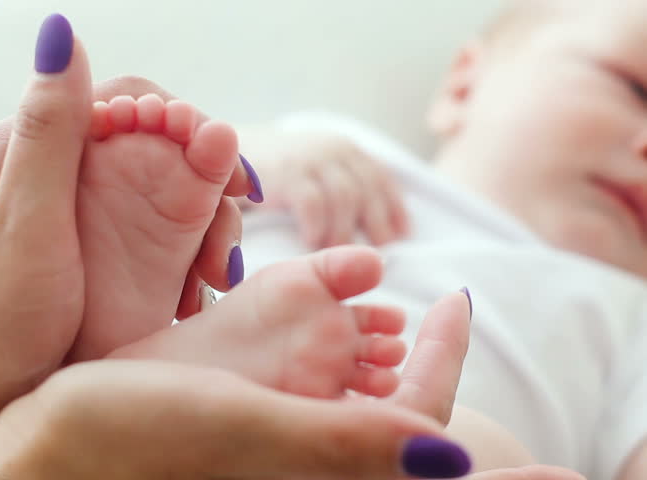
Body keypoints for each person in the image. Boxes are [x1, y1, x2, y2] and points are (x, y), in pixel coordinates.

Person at [0, 14, 484, 480]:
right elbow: (234, 168)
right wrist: (266, 153)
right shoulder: (348, 148)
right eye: (598, 74)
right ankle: (178, 366)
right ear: (463, 82)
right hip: (299, 324)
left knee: (494, 444)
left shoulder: (593, 294)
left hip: (447, 383)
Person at [237, 1, 647, 479]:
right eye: (635, 89)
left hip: (418, 451)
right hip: (201, 366)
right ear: (463, 85)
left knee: (491, 449)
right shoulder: (332, 151)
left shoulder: (634, 317)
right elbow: (197, 184)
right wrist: (251, 154)